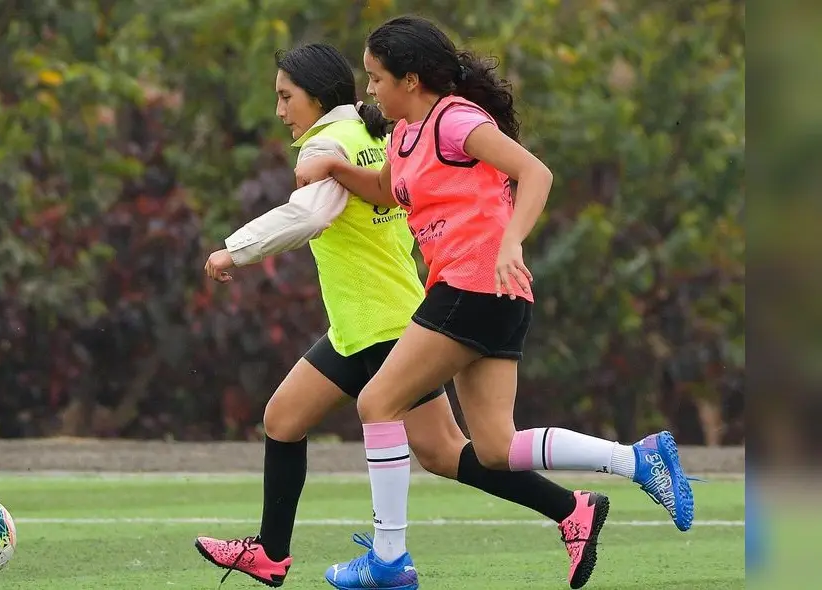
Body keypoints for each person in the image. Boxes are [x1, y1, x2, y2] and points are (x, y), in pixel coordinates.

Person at [293, 16, 696, 590]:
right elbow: (387, 190)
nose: (370, 89)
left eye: (376, 76)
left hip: (475, 285)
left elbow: (536, 173)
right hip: (490, 295)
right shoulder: (405, 136)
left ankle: (389, 561)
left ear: (410, 79)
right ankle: (637, 459)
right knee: (497, 447)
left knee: (378, 402)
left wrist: (511, 241)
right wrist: (334, 167)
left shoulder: (455, 120)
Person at [194, 42, 614, 589]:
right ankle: (272, 553)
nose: (280, 110)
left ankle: (403, 554)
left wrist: (234, 249)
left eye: (285, 96)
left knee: (443, 448)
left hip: (383, 324)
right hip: (365, 321)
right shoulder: (376, 135)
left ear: (317, 96)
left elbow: (308, 215)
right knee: (291, 419)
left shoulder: (327, 142)